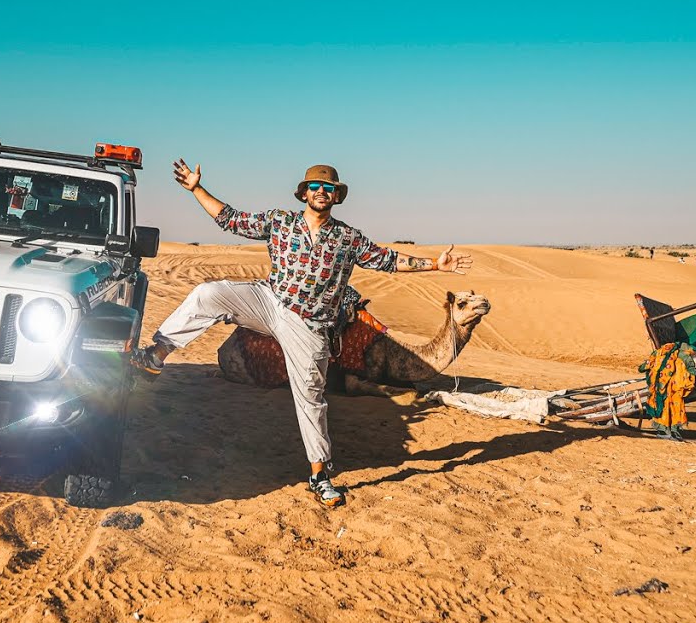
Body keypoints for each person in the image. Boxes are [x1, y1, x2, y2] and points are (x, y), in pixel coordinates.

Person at [131, 160, 472, 508]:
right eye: (315, 187)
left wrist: (434, 264)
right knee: (208, 293)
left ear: (336, 196)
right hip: (269, 300)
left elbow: (387, 260)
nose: (321, 192)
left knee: (310, 398)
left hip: (310, 325)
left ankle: (319, 474)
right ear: (304, 192)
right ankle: (156, 356)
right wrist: (196, 189)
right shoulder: (281, 222)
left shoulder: (347, 238)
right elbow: (231, 219)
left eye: (328, 188)